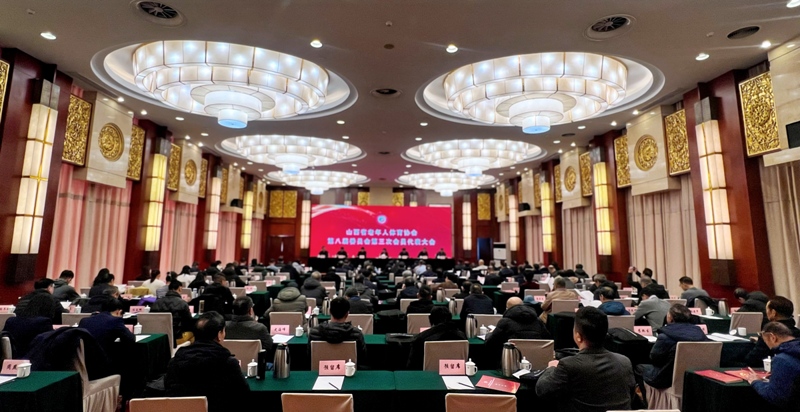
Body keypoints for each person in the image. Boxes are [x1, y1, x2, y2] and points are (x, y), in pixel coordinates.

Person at [536, 307, 636, 412]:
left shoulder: (568, 365)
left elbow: (542, 390)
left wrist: (551, 368)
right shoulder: (624, 361)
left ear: (578, 336)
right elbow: (630, 395)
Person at [165, 312, 250, 412]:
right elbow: (243, 394)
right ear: (219, 335)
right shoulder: (227, 362)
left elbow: (170, 393)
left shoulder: (175, 361)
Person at [636, 304, 707, 394]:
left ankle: (646, 400)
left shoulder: (665, 336)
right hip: (695, 377)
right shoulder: (701, 334)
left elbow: (654, 358)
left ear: (670, 317)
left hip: (666, 379)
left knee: (639, 368)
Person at [746, 322, 800, 410]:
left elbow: (775, 396)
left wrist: (755, 381)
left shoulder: (782, 359)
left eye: (766, 342)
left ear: (772, 337)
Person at [485, 297, 551, 366]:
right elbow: (548, 340)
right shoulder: (538, 321)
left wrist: (489, 334)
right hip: (537, 361)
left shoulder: (504, 322)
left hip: (510, 363)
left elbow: (491, 344)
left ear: (507, 308)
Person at [309, 297, 367, 366]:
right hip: (348, 370)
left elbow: (309, 356)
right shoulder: (356, 334)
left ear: (330, 311)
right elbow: (362, 358)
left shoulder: (314, 332)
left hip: (319, 370)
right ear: (347, 314)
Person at [746, 296, 800, 367]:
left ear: (773, 312)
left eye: (767, 309)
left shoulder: (769, 333)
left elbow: (752, 360)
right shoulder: (797, 332)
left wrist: (763, 340)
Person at [150, 280, 193, 344]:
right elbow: (189, 322)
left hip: (158, 337)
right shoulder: (182, 303)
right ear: (179, 288)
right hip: (177, 337)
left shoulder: (156, 303)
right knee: (192, 334)